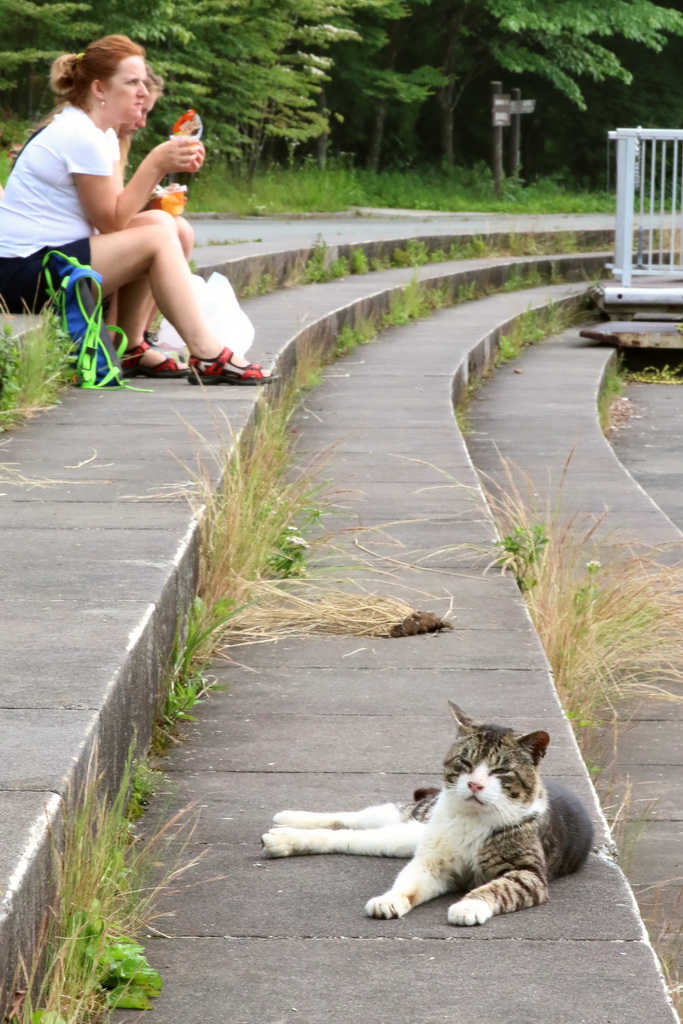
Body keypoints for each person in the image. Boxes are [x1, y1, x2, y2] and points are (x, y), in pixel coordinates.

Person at [0, 35, 275, 384]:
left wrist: (154, 193)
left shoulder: (99, 133)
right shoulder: (79, 134)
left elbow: (116, 212)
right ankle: (208, 355)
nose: (143, 92)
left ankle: (130, 346)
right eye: (132, 83)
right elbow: (112, 222)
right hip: (22, 273)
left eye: (143, 82)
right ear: (100, 89)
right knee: (157, 239)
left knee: (167, 224)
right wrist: (155, 165)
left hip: (51, 262)